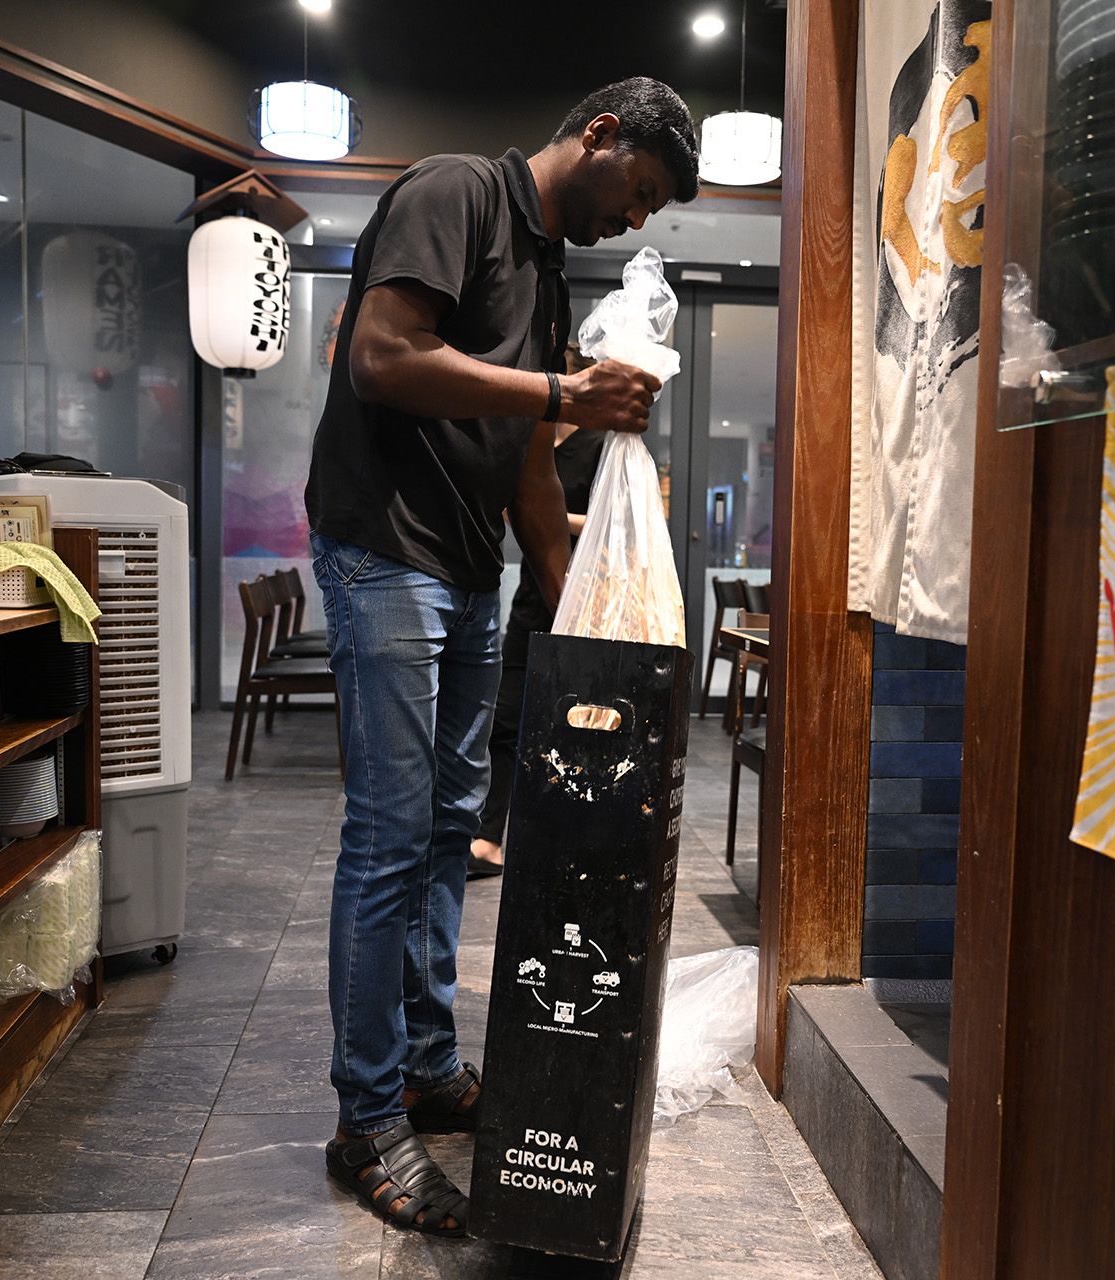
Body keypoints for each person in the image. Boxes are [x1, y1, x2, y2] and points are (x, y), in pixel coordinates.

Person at [303, 77, 699, 1238]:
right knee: (387, 834)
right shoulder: (457, 193)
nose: (635, 219)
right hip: (385, 548)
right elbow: (383, 355)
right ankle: (366, 1115)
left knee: (445, 828)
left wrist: (579, 619)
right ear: (598, 134)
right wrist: (563, 387)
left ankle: (427, 1063)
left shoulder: (546, 269)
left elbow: (531, 460)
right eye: (639, 191)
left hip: (470, 569)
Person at [467, 344, 607, 880]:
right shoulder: (533, 439)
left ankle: (566, 840)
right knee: (506, 720)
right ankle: (487, 837)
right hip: (531, 596)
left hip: (585, 597)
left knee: (575, 725)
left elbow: (610, 522)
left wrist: (542, 514)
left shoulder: (599, 445)